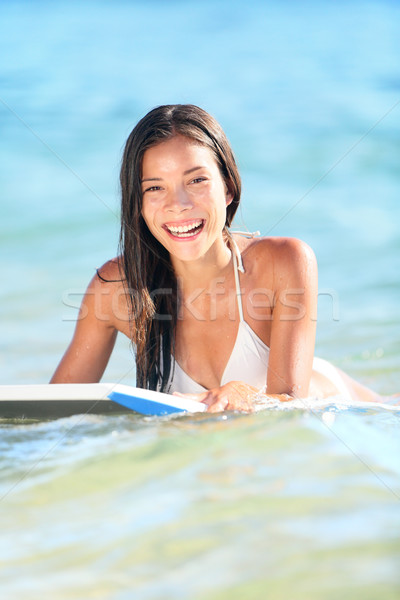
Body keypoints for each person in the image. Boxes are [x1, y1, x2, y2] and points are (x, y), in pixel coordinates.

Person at [51, 104, 387, 412]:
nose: (178, 204)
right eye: (155, 187)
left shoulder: (283, 262)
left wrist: (242, 392)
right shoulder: (115, 289)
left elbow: (291, 412)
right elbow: (49, 411)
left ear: (227, 187)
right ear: (137, 203)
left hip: (358, 413)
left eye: (196, 180)